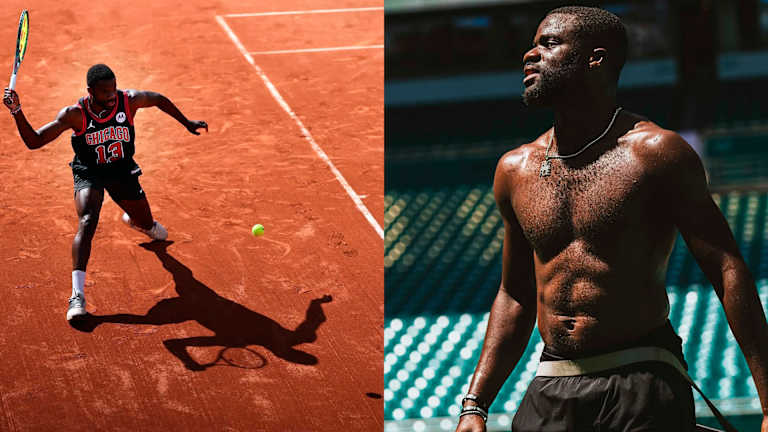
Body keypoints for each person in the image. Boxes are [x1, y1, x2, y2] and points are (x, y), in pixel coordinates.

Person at [455, 6, 768, 432]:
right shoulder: (515, 168)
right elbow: (515, 294)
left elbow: (727, 269)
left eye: (548, 44)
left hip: (640, 371)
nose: (531, 55)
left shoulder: (656, 153)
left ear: (595, 58)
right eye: (532, 45)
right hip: (553, 381)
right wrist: (475, 405)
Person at [3, 64, 208, 323]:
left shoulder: (128, 101)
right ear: (90, 91)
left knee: (152, 228)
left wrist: (186, 122)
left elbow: (158, 100)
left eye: (113, 88)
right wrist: (17, 111)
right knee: (87, 220)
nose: (112, 95)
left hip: (122, 172)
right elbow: (34, 141)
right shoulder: (74, 115)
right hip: (90, 173)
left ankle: (140, 223)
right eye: (105, 91)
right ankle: (77, 295)